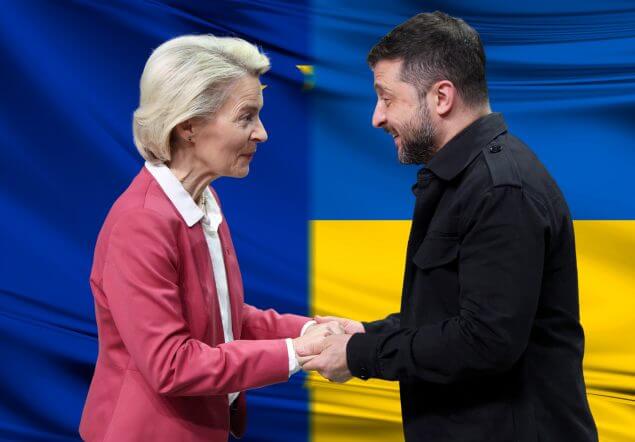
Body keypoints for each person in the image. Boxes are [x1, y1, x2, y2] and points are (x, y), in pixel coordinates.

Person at [301, 11, 598, 442]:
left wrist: (360, 353)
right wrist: (368, 332)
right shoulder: (466, 181)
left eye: (386, 98)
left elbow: (485, 340)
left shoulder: (500, 190)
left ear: (441, 97)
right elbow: (451, 315)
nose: (376, 117)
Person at [79, 35, 341, 442]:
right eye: (246, 117)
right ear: (188, 126)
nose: (262, 133)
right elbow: (171, 364)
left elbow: (223, 318)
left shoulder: (204, 200)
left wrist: (309, 330)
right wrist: (297, 352)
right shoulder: (141, 223)